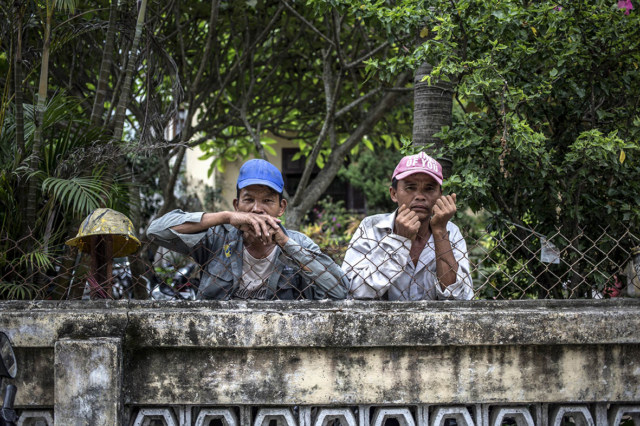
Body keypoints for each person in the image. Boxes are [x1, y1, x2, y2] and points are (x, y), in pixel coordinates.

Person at [147, 159, 348, 300]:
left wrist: (286, 244)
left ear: (281, 208)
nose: (256, 209)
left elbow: (339, 291)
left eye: (267, 201)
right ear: (237, 205)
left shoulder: (298, 243)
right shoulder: (217, 237)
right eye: (248, 200)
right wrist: (224, 217)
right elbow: (155, 231)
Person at [342, 152, 473, 300]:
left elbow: (460, 299)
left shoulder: (450, 231)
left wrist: (439, 231)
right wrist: (399, 241)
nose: (420, 196)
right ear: (394, 193)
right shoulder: (372, 227)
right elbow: (353, 290)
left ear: (440, 195)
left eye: (429, 189)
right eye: (410, 188)